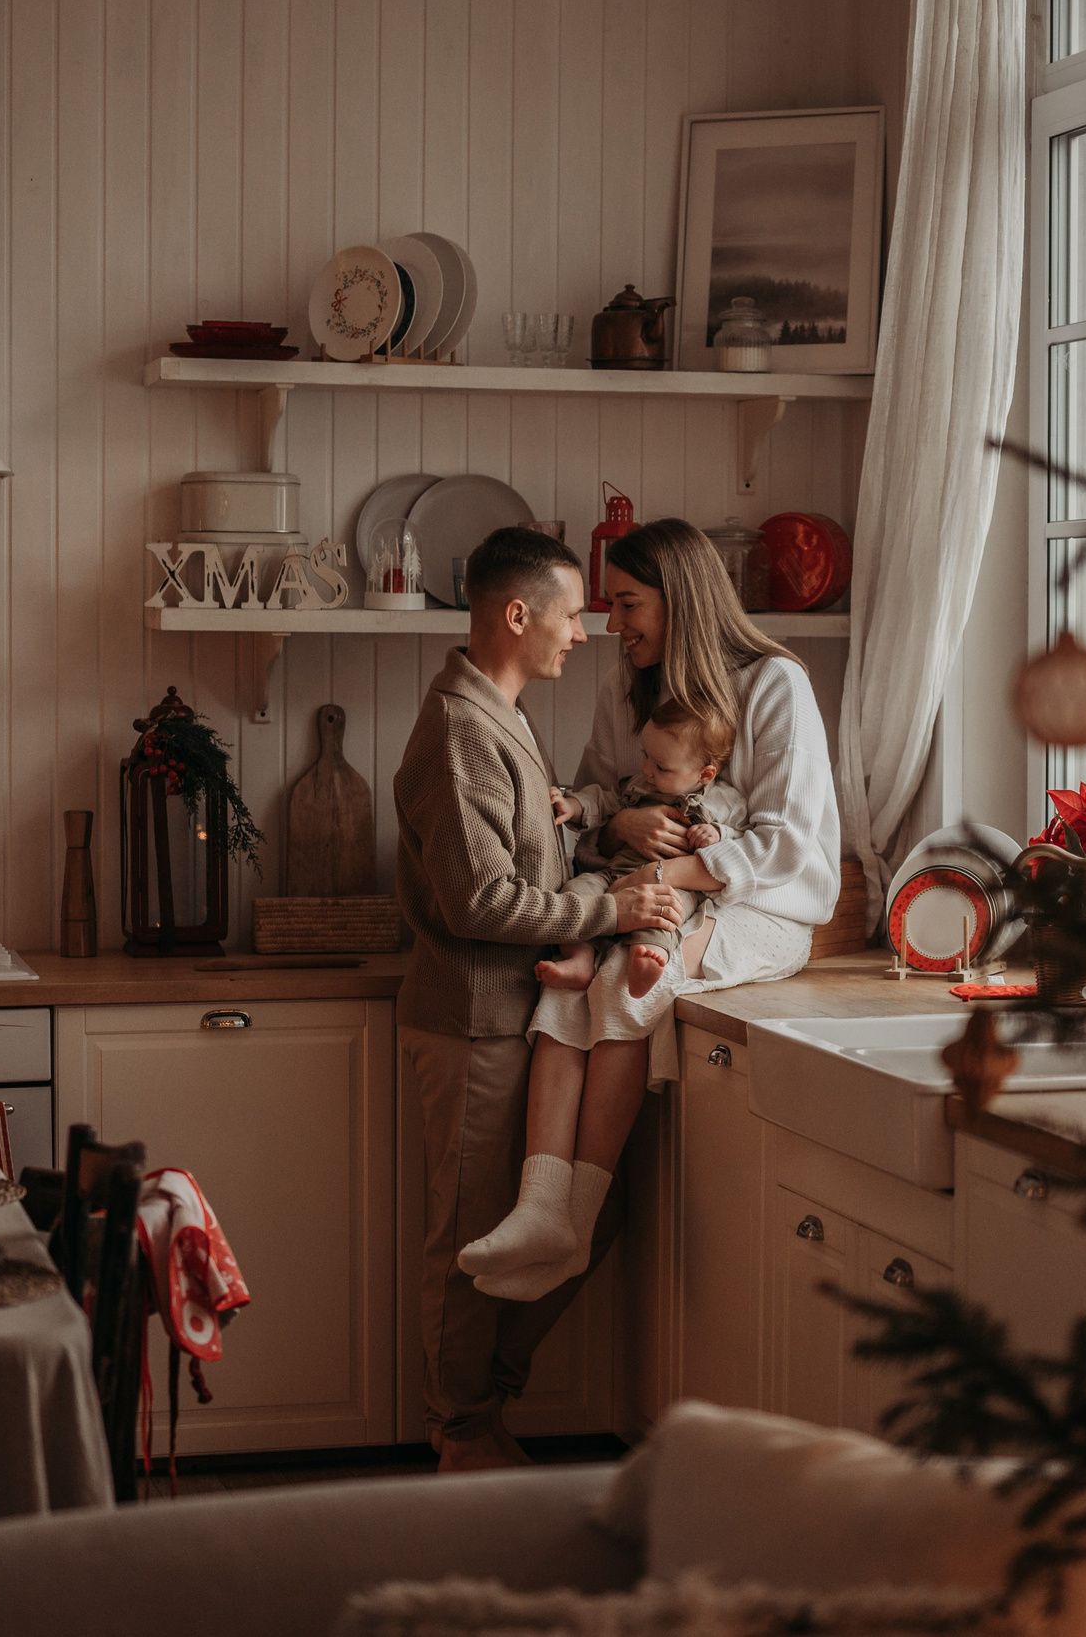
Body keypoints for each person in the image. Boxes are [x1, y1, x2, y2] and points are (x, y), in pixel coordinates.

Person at [454, 517, 841, 1306]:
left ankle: (574, 1219)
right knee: (570, 981)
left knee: (624, 982)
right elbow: (596, 816)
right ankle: (540, 1207)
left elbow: (793, 847)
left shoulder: (773, 684)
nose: (610, 624)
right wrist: (620, 829)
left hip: (760, 910)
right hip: (649, 889)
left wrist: (664, 871)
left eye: (628, 604)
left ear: (682, 603)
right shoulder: (625, 686)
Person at [392, 525, 685, 1474]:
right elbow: (479, 898)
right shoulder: (456, 731)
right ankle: (460, 1429)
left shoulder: (500, 715)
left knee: (566, 1223)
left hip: (518, 1015)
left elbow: (531, 846)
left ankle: (481, 1408)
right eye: (571, 614)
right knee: (472, 1235)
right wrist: (614, 901)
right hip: (475, 1021)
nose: (587, 631)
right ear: (517, 616)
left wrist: (605, 819)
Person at [537, 700, 746, 1000]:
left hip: (675, 885)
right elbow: (603, 801)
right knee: (576, 889)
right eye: (645, 756)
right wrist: (572, 805)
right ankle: (580, 958)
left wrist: (717, 832)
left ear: (705, 774)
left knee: (666, 915)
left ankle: (647, 958)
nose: (647, 769)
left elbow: (742, 836)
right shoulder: (639, 786)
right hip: (614, 873)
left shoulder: (723, 802)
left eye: (661, 767)